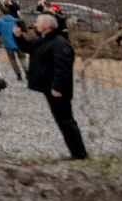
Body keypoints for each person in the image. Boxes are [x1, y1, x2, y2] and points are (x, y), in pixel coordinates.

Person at [16, 13, 87, 160]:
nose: (35, 24)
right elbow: (29, 47)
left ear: (47, 26)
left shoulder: (59, 43)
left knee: (66, 120)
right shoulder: (43, 40)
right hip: (49, 87)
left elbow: (63, 67)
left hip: (58, 90)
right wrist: (18, 37)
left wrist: (57, 87)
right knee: (62, 120)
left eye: (38, 22)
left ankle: (79, 154)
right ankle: (76, 152)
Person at [0, 7, 24, 81]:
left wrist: (1, 37)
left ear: (2, 13)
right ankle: (27, 71)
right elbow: (22, 30)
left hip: (7, 43)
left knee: (12, 59)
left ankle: (18, 74)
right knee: (23, 58)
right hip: (19, 42)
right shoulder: (16, 20)